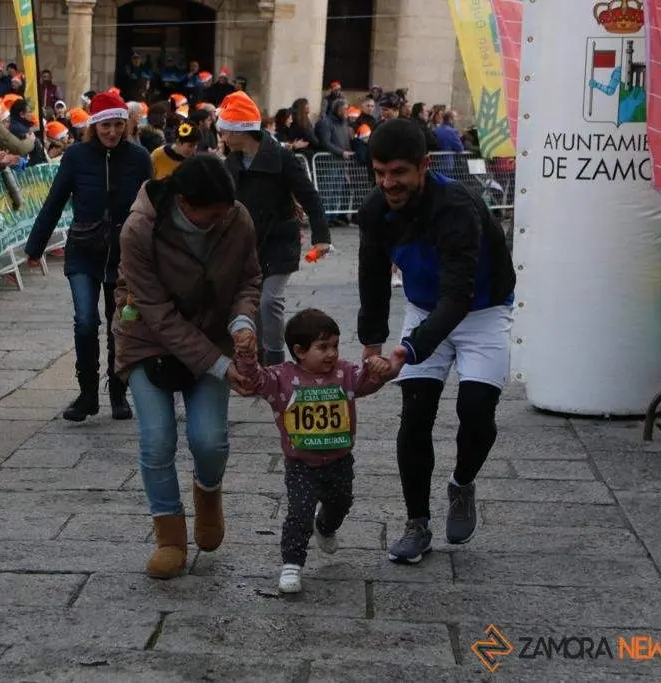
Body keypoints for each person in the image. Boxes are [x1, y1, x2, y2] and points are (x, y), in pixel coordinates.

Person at [355, 118, 516, 564]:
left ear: (424, 166)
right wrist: (371, 346)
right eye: (380, 172)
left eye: (400, 173)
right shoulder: (375, 211)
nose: (389, 183)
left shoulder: (457, 207)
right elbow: (371, 278)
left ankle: (463, 484)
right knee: (416, 410)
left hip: (481, 310)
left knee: (476, 412)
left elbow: (458, 296)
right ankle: (417, 522)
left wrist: (407, 350)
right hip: (425, 307)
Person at [113, 154, 261, 579]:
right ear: (182, 202)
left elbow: (249, 278)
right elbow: (156, 312)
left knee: (209, 440)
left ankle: (208, 495)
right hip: (147, 339)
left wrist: (243, 321)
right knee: (157, 439)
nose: (219, 221)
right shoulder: (139, 229)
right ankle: (170, 536)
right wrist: (219, 365)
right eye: (209, 215)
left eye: (225, 212)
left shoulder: (237, 219)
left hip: (213, 333)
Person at [236, 309, 393, 592]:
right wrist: (248, 357)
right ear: (299, 351)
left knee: (341, 503)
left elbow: (367, 380)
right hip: (301, 464)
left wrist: (381, 369)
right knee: (300, 511)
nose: (331, 354)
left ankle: (326, 526)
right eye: (322, 347)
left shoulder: (344, 372)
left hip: (339, 460)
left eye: (334, 345)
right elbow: (254, 381)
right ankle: (292, 564)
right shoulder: (281, 377)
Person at [25, 91, 152, 422]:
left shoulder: (139, 158)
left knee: (119, 326)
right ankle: (87, 393)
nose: (111, 132)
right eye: (106, 125)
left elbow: (155, 207)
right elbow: (55, 201)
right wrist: (35, 247)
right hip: (83, 250)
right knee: (85, 322)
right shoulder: (77, 156)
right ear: (94, 127)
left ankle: (118, 393)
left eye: (117, 125)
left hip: (124, 257)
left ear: (126, 126)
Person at [218, 91, 331, 365]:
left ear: (241, 131)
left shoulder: (281, 158)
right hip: (246, 244)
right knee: (252, 303)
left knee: (270, 301)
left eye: (226, 132)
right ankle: (255, 360)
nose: (222, 137)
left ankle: (276, 360)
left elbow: (309, 196)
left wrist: (321, 237)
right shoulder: (230, 163)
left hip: (279, 241)